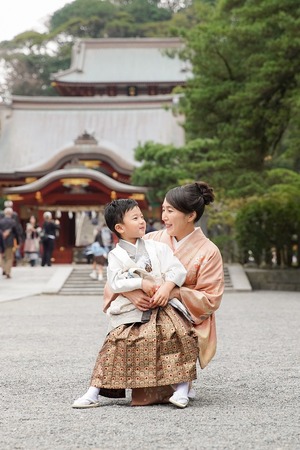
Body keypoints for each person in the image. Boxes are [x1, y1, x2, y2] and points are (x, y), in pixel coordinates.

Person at [73, 181, 224, 408]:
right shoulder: (151, 240)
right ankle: (101, 388)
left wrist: (172, 292)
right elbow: (113, 282)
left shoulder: (209, 251)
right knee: (119, 338)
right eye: (163, 209)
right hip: (142, 307)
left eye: (170, 211)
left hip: (183, 313)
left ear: (191, 215)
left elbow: (210, 298)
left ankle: (179, 383)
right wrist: (134, 293)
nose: (163, 216)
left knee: (171, 334)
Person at [0, 207, 21, 278]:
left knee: (2, 256)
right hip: (9, 242)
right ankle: (7, 271)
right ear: (11, 214)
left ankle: (4, 268)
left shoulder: (1, 221)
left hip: (1, 242)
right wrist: (18, 242)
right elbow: (16, 233)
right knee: (9, 257)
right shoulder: (13, 222)